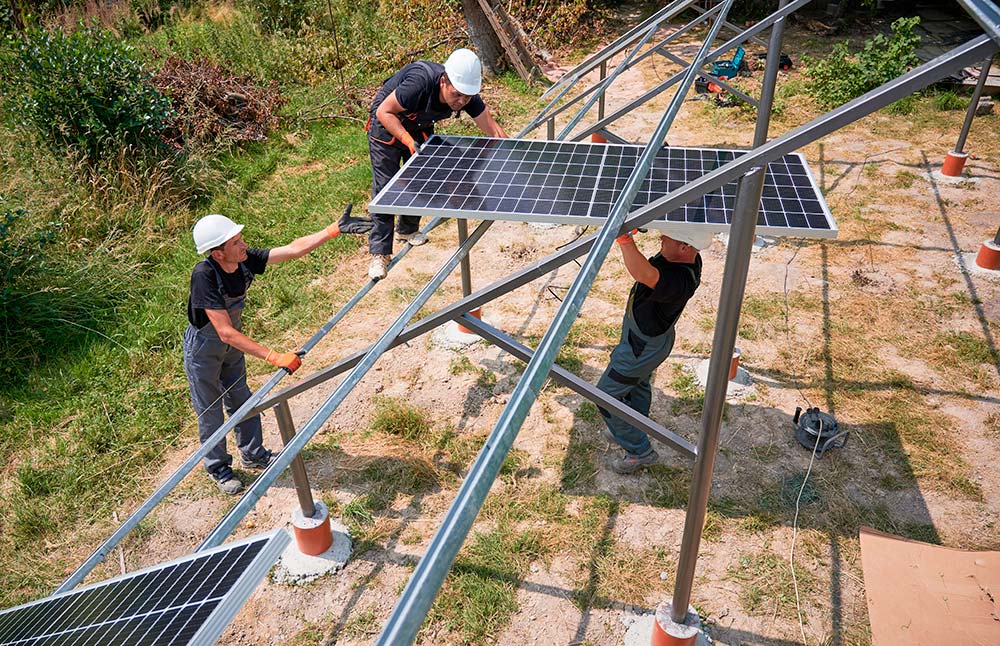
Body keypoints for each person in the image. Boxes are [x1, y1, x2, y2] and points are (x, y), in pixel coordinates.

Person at [184, 209, 372, 494]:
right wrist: (273, 356)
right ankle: (219, 467)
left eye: (241, 239)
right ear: (218, 253)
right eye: (235, 243)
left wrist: (332, 230)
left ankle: (252, 453)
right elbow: (224, 331)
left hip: (232, 347)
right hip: (205, 349)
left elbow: (293, 250)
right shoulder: (205, 275)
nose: (243, 245)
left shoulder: (244, 261)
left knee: (242, 399)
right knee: (210, 410)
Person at [365, 48, 508, 281]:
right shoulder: (419, 83)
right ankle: (380, 253)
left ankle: (408, 229)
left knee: (426, 175)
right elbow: (384, 111)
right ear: (444, 81)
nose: (462, 101)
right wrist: (408, 141)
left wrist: (512, 157)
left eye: (467, 97)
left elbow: (493, 129)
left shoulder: (466, 93)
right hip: (387, 125)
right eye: (457, 95)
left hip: (418, 126)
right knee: (386, 190)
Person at [596, 229, 711, 474]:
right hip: (648, 340)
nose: (661, 238)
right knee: (636, 384)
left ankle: (640, 451)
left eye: (668, 236)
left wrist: (625, 239)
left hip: (641, 349)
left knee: (605, 396)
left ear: (684, 248)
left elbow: (642, 273)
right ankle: (632, 424)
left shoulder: (679, 282)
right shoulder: (686, 257)